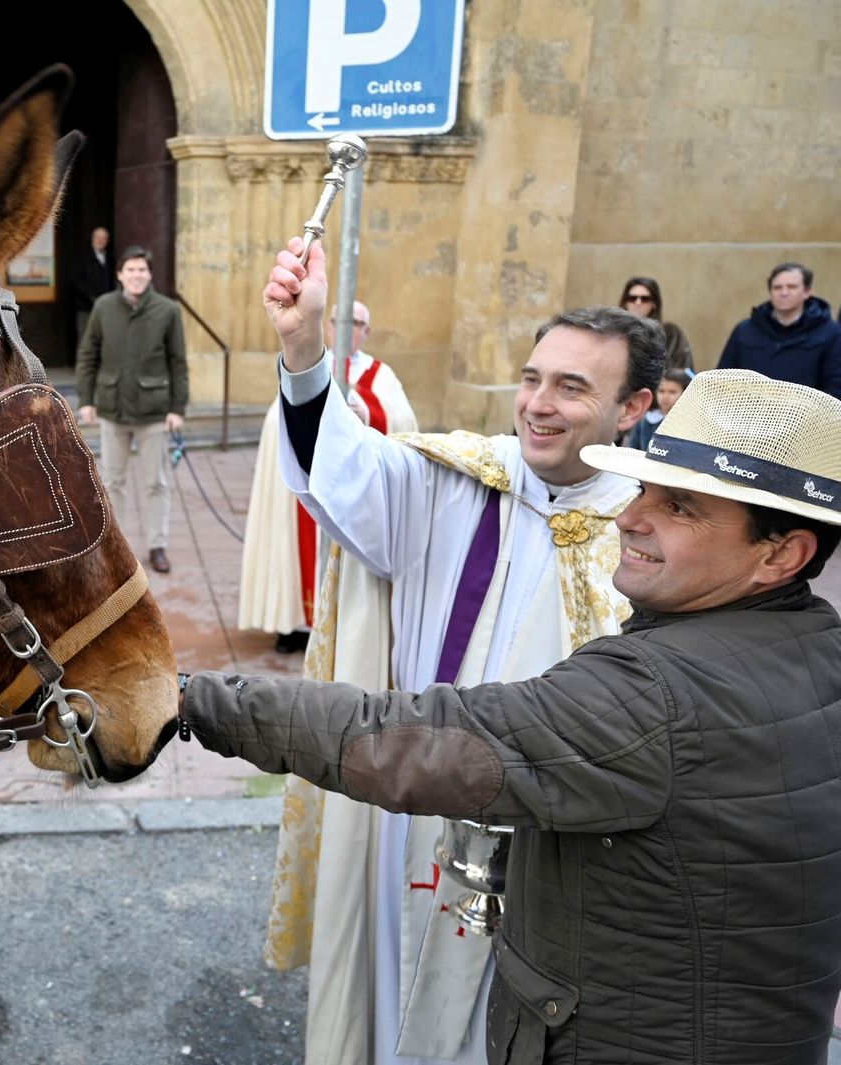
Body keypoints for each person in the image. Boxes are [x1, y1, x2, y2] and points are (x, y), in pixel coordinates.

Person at [181, 368, 841, 1064]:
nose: (629, 516)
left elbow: (417, 743)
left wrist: (193, 700)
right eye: (643, 487)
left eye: (678, 506)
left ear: (780, 554)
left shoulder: (655, 692)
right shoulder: (819, 643)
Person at [256, 236, 659, 1065]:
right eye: (532, 378)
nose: (538, 404)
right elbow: (345, 474)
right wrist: (304, 351)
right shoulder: (461, 479)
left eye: (572, 387)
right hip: (430, 823)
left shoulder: (655, 528)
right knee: (405, 1002)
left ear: (635, 406)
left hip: (566, 849)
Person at [238, 299, 416, 654]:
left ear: (366, 331)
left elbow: (405, 426)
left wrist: (367, 411)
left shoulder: (381, 374)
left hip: (353, 485)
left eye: (357, 323)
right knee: (298, 549)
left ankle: (341, 626)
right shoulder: (308, 366)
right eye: (339, 321)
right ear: (328, 326)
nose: (348, 329)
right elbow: (278, 419)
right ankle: (294, 625)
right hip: (307, 481)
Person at [76, 244, 187, 574]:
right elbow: (88, 357)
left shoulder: (168, 311)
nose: (137, 275)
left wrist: (177, 407)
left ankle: (157, 545)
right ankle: (118, 548)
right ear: (120, 274)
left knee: (156, 482)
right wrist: (86, 400)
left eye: (142, 270)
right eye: (131, 270)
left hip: (154, 411)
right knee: (112, 482)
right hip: (112, 409)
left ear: (149, 274)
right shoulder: (103, 307)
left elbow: (177, 362)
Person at [718, 262, 841, 398]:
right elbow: (723, 380)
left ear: (807, 292)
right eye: (777, 287)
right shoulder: (745, 331)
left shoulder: (831, 333)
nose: (784, 293)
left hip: (806, 416)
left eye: (792, 287)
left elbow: (835, 388)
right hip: (749, 415)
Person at [618, 276, 692, 371]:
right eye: (632, 298)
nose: (638, 302)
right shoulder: (615, 333)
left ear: (654, 303)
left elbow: (687, 373)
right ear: (625, 303)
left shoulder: (670, 333)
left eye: (645, 299)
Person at [626, 367, 690, 452]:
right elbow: (632, 448)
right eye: (661, 391)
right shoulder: (646, 419)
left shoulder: (688, 423)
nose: (665, 397)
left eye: (672, 392)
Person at [71, 226, 115, 344]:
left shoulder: (111, 258)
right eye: (97, 237)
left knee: (105, 338)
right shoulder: (82, 257)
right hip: (86, 306)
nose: (100, 241)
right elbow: (77, 280)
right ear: (92, 239)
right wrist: (92, 297)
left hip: (107, 305)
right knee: (85, 338)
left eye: (103, 238)